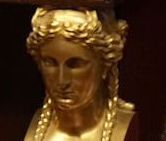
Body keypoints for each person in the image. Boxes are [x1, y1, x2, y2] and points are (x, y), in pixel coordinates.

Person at [22, 7, 135, 141]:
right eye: (50, 63)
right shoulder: (37, 132)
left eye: (75, 64)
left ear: (105, 66)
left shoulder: (121, 129)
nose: (62, 81)